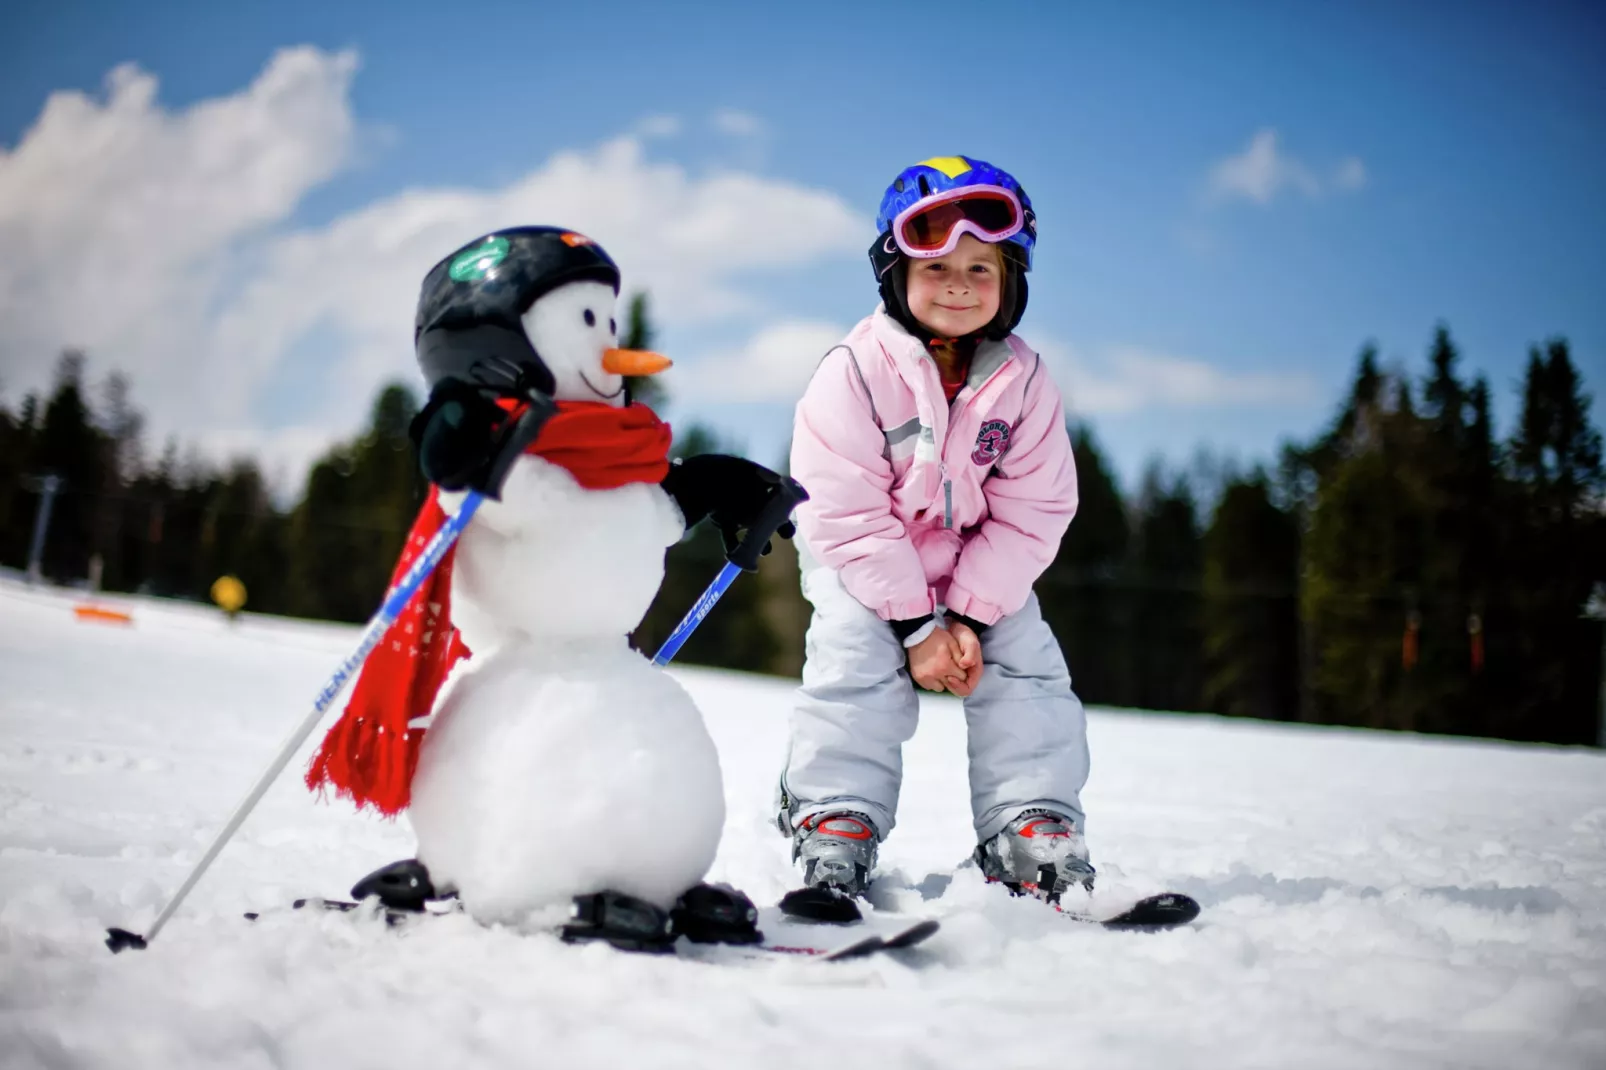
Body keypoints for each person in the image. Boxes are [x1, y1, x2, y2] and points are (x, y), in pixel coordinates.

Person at [777, 156, 1093, 905]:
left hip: (976, 569)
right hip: (866, 565)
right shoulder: (852, 372)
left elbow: (1035, 509)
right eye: (938, 266)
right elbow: (845, 512)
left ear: (1013, 280)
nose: (960, 285)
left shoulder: (1026, 383)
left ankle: (1031, 824)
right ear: (895, 272)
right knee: (854, 657)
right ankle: (835, 820)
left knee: (1027, 667)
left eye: (982, 269)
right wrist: (918, 626)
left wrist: (974, 614)